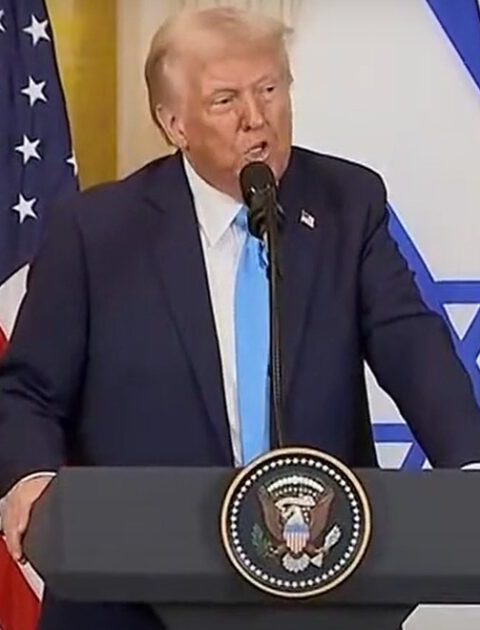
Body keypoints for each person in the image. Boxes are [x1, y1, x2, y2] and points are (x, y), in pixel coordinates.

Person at [1, 6, 480, 630]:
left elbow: (409, 341)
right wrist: (30, 476)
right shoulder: (96, 232)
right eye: (225, 100)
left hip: (319, 581)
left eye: (270, 89)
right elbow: (30, 388)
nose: (257, 118)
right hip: (133, 591)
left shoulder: (347, 202)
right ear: (174, 123)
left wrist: (470, 469)